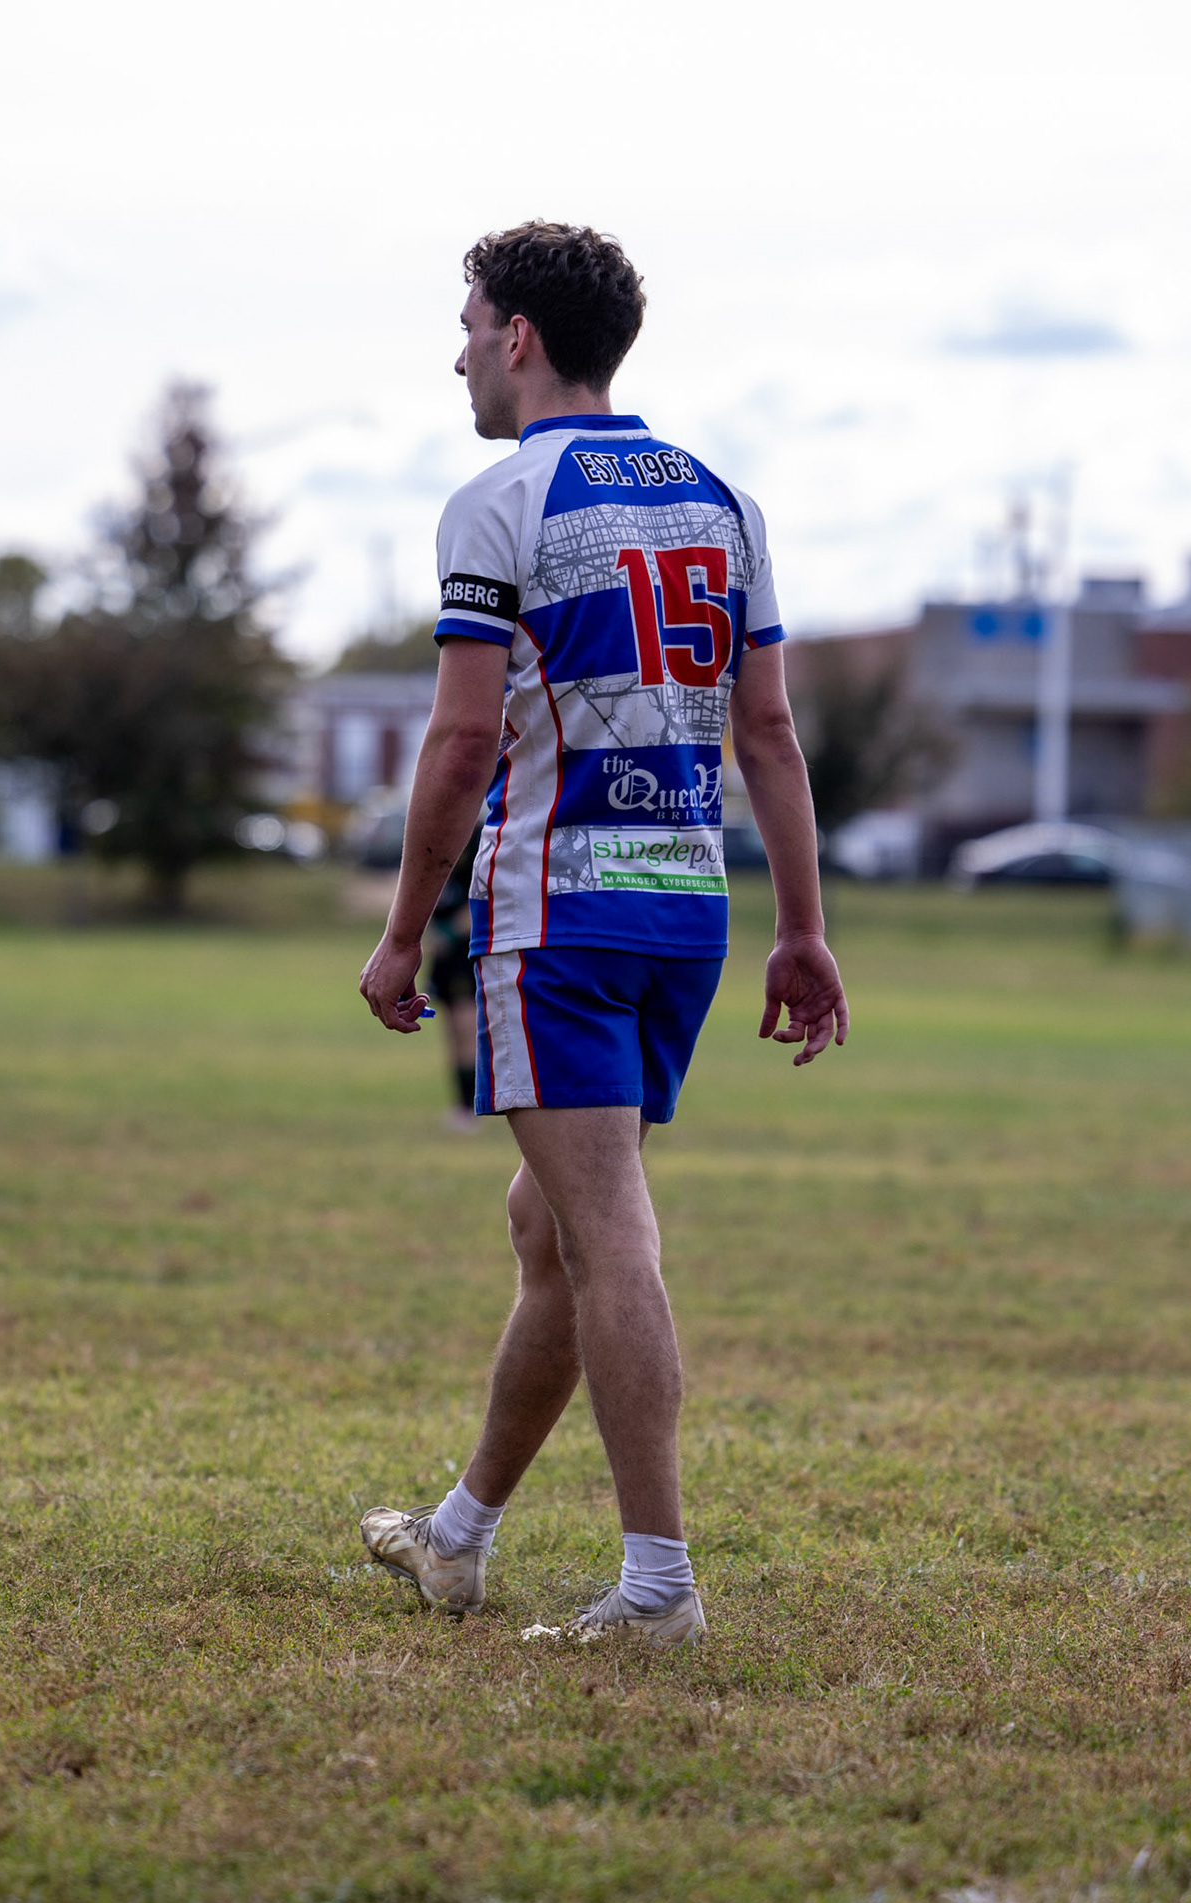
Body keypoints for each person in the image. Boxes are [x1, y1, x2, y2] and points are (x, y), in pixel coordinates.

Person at [357, 221, 848, 1647]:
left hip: (556, 917)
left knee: (611, 1238)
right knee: (552, 1228)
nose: (458, 354)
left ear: (517, 337)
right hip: (684, 915)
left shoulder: (498, 502)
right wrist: (802, 930)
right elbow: (770, 732)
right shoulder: (722, 501)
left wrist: (401, 934)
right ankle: (457, 1537)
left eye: (467, 327)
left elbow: (461, 744)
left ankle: (657, 1589)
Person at [427, 835, 481, 1129]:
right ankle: (461, 1105)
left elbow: (486, 897)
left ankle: (468, 1107)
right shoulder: (431, 833)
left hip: (465, 951)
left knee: (465, 1028)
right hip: (443, 955)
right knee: (452, 1031)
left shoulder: (480, 838)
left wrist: (448, 933)